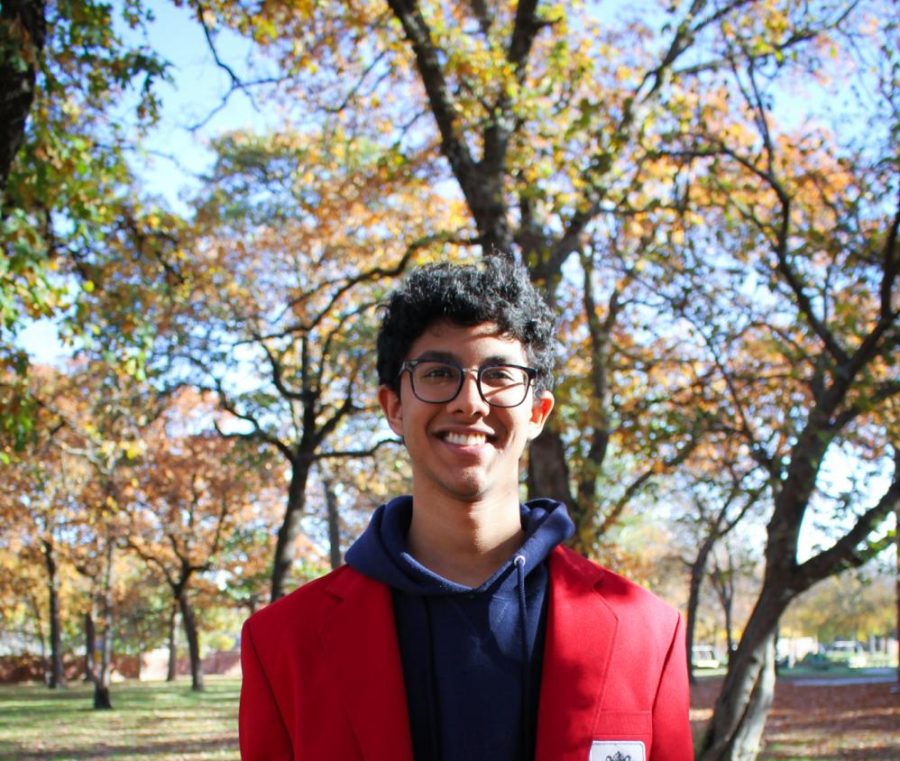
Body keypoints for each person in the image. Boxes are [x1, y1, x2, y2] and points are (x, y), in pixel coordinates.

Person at [238, 259, 693, 761]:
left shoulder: (647, 632)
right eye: (438, 373)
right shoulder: (283, 643)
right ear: (393, 407)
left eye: (498, 374)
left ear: (538, 412)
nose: (469, 402)